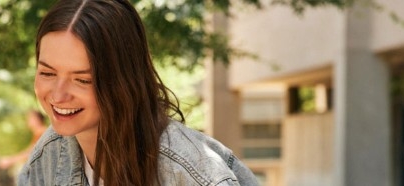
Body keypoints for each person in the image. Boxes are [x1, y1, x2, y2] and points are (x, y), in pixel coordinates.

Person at [16, 0, 258, 185]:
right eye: (47, 73)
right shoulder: (50, 153)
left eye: (82, 80)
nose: (58, 96)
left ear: (123, 80)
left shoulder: (192, 171)